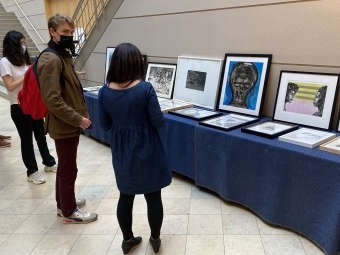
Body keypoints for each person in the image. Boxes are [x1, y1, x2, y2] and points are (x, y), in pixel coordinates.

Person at [98, 43, 172, 254]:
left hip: (122, 150)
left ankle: (127, 240)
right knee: (153, 196)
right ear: (136, 62)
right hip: (148, 147)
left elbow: (105, 125)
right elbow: (158, 122)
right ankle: (155, 239)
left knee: (126, 195)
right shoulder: (145, 88)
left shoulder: (104, 92)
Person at [37, 13, 98, 224]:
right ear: (52, 32)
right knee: (68, 167)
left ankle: (63, 203)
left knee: (65, 166)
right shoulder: (50, 58)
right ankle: (69, 212)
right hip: (64, 124)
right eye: (64, 32)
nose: (69, 36)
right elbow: (52, 99)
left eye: (71, 32)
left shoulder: (62, 54)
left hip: (68, 122)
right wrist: (77, 119)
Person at [0, 30, 57, 184]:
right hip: (18, 106)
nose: (24, 45)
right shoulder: (5, 62)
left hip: (33, 103)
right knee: (27, 140)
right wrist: (27, 75)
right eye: (21, 43)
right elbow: (10, 86)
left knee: (41, 135)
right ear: (13, 45)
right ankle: (32, 171)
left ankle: (49, 162)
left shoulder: (26, 60)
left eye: (24, 42)